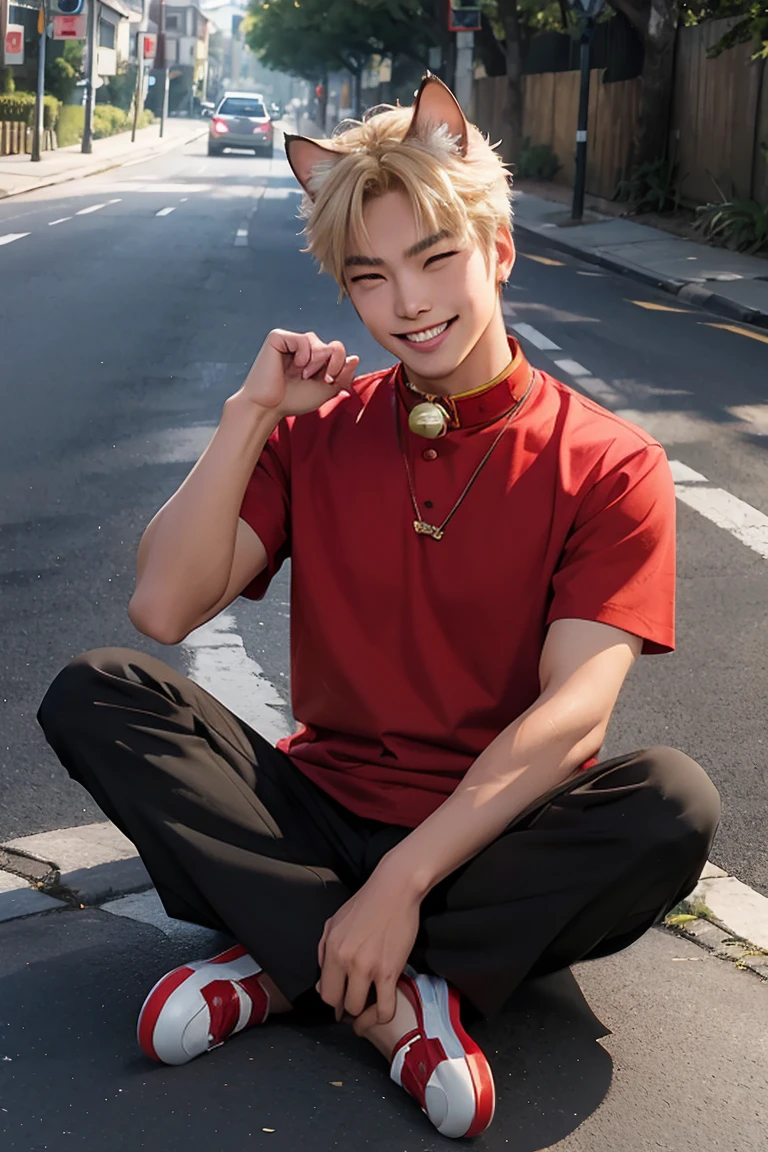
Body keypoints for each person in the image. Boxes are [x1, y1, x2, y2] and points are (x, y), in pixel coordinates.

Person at [37, 74, 721, 1139]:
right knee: (98, 693)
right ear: (346, 292)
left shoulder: (611, 464)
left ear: (497, 250)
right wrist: (250, 413)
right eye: (372, 276)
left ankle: (282, 962)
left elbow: (576, 717)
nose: (409, 302)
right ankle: (404, 1003)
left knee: (671, 801)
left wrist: (402, 880)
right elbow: (162, 607)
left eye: (436, 258)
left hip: (491, 840)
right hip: (315, 812)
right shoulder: (321, 431)